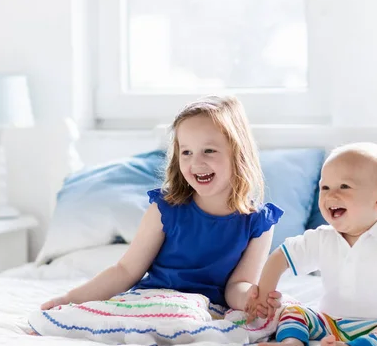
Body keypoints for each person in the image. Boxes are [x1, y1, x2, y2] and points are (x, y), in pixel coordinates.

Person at [42, 95, 283, 313]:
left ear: (238, 153)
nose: (196, 162)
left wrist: (250, 298)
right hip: (155, 301)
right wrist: (70, 298)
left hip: (206, 310)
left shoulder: (259, 223)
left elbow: (237, 286)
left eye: (209, 150)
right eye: (186, 152)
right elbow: (126, 271)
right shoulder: (165, 209)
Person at [245, 142, 377, 346]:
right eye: (325, 187)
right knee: (293, 311)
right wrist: (265, 293)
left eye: (344, 187)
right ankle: (292, 342)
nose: (331, 195)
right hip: (331, 322)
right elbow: (281, 256)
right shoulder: (322, 237)